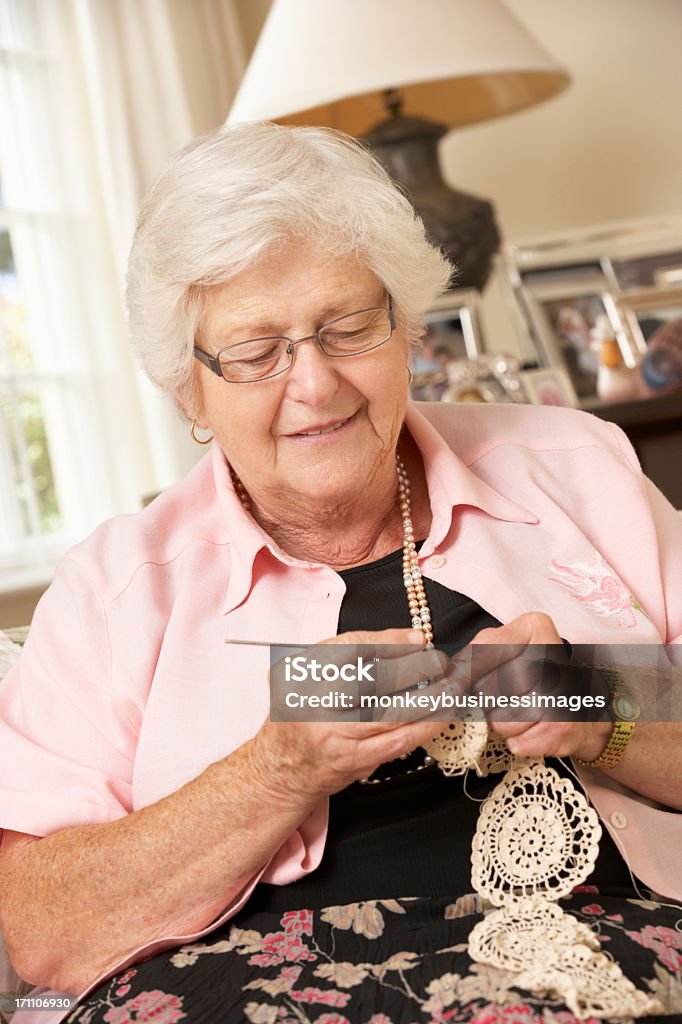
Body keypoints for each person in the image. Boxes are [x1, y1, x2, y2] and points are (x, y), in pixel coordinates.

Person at [0, 123, 681, 1024]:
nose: (315, 385)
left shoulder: (580, 469)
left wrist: (596, 708)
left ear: (406, 327)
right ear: (188, 390)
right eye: (255, 352)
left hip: (595, 948)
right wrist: (273, 772)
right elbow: (38, 931)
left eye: (348, 326)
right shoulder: (117, 591)